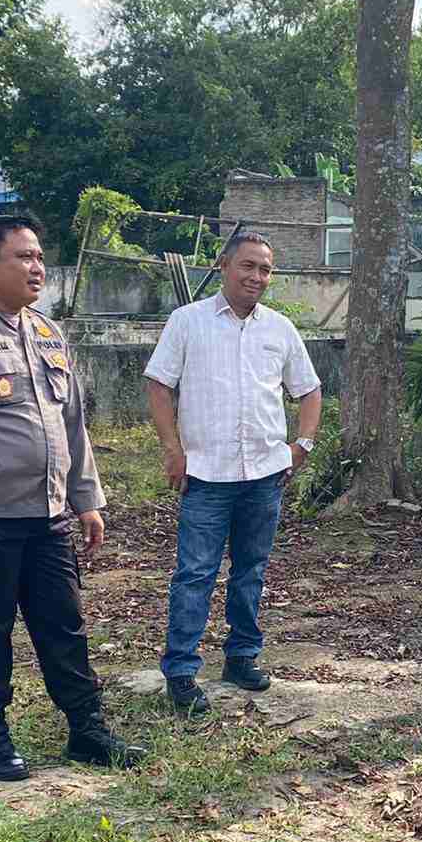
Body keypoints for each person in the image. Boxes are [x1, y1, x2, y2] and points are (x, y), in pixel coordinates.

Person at [0, 212, 143, 777]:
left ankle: (87, 729)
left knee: (64, 626)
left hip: (48, 519)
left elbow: (73, 424)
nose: (38, 268)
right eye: (24, 256)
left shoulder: (48, 332)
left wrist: (87, 499)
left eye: (41, 257)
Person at [143, 231, 322, 715]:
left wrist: (301, 444)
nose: (256, 277)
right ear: (224, 266)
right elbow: (159, 386)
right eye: (247, 266)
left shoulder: (280, 329)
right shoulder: (188, 322)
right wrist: (172, 449)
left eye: (264, 269)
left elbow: (308, 391)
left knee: (251, 572)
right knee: (195, 573)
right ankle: (180, 670)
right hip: (206, 475)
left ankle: (242, 656)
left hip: (265, 474)